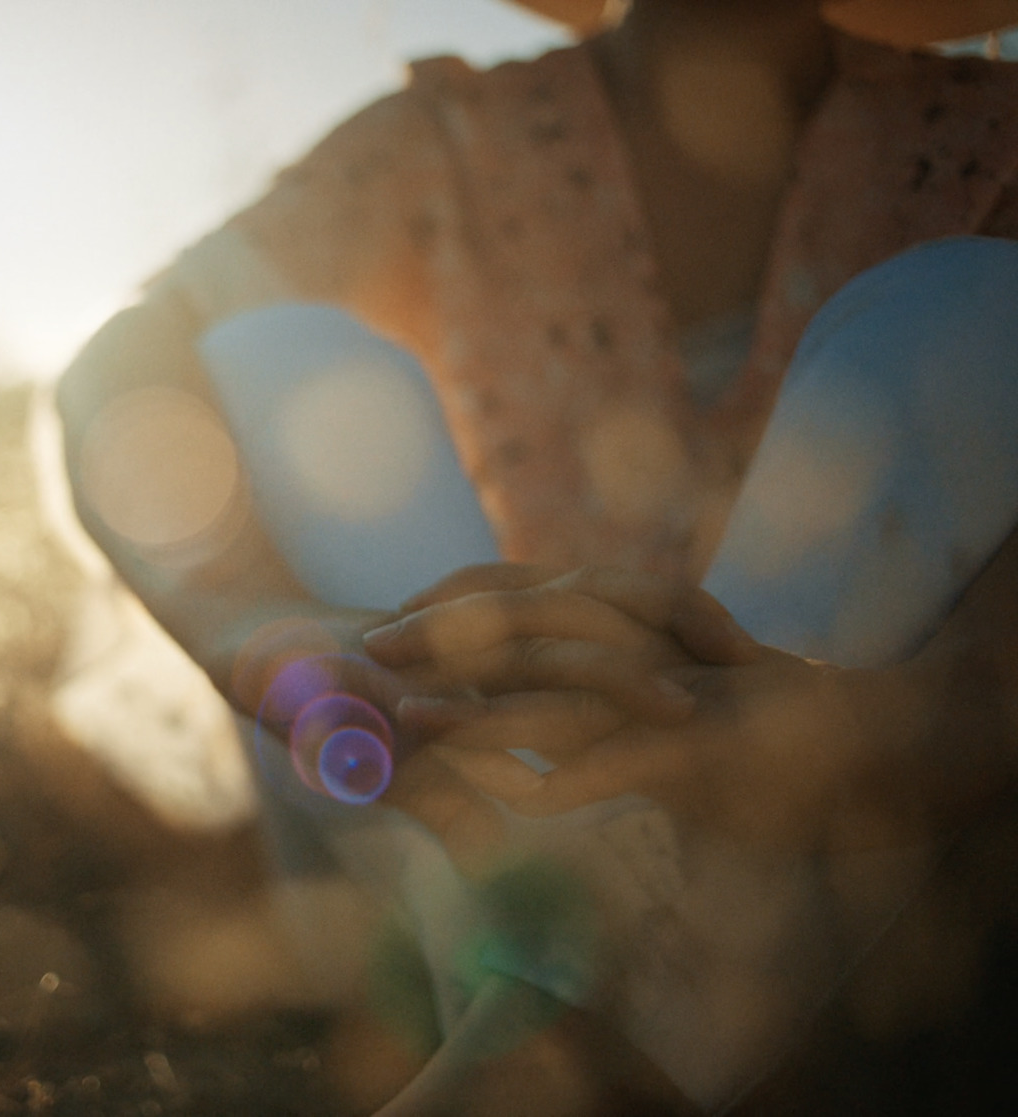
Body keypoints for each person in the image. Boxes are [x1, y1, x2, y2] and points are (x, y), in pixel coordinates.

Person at [56, 1, 1018, 1112]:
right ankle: (574, 995)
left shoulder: (986, 137)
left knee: (976, 312)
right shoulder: (451, 137)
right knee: (271, 358)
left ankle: (549, 1033)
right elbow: (117, 367)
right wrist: (255, 625)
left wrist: (838, 734)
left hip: (855, 857)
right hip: (457, 805)